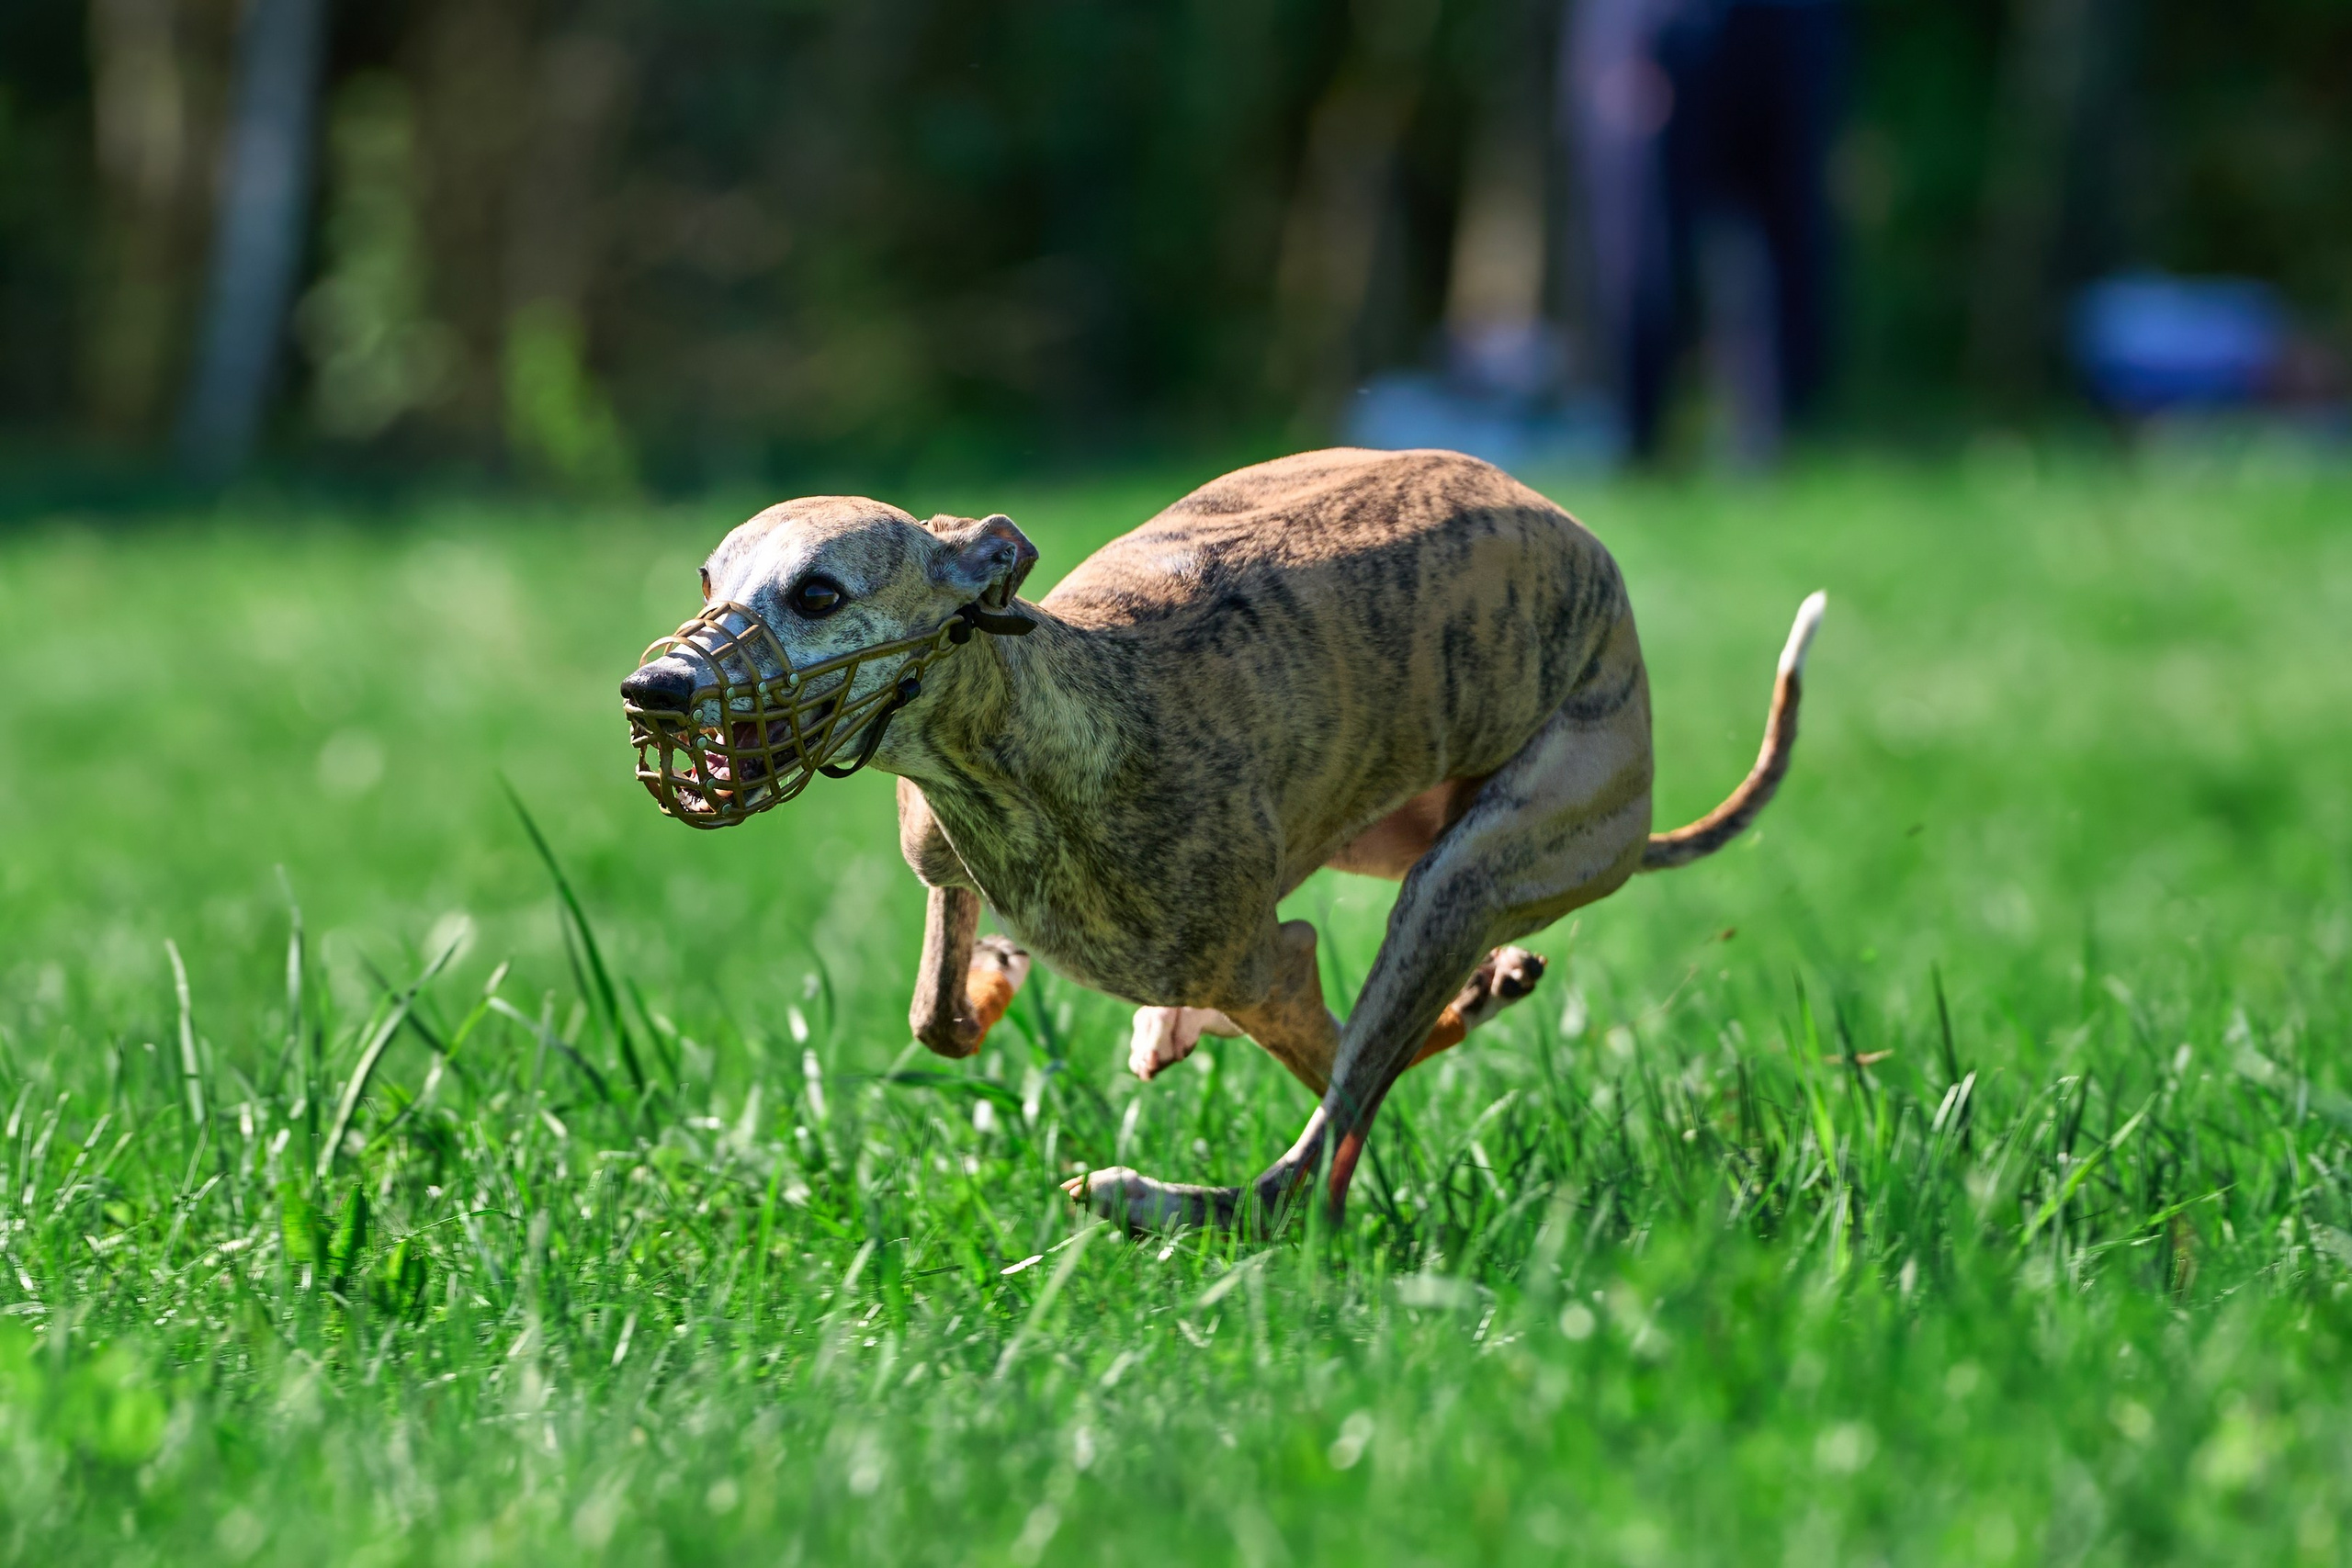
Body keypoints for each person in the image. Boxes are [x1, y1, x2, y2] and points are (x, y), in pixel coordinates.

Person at [1565, 0, 1845, 463]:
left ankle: (1774, 445)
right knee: (1641, 239)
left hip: (1786, 19)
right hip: (1651, 19)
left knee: (1786, 233)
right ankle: (1635, 441)